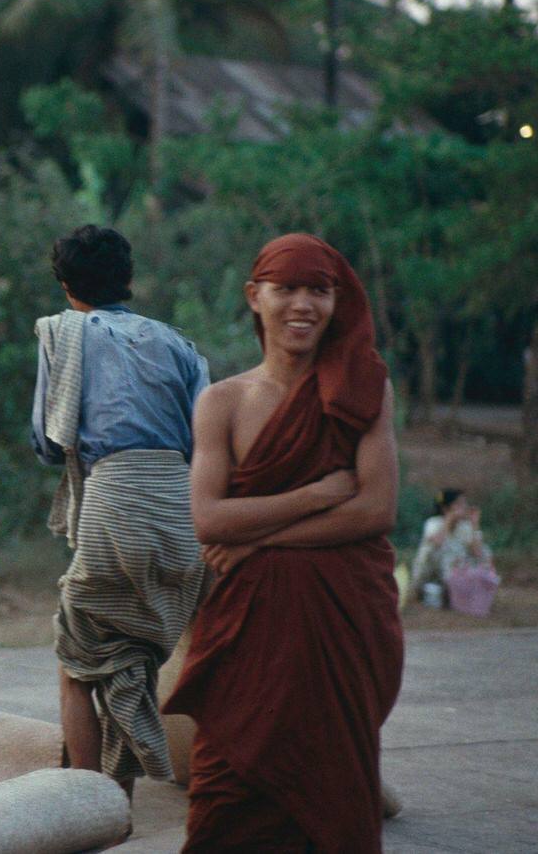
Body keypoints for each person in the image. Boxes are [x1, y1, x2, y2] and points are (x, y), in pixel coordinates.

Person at [163, 233, 405, 852]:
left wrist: (259, 541)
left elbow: (376, 509)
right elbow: (210, 522)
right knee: (225, 789)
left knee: (332, 795)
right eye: (286, 288)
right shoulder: (222, 401)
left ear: (336, 301)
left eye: (318, 290)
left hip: (343, 624)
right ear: (255, 297)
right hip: (251, 632)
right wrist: (316, 496)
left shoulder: (364, 391)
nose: (303, 304)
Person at [31, 224, 209, 796]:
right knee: (160, 649)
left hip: (115, 500)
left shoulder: (63, 333)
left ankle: (88, 807)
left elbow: (46, 441)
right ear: (129, 280)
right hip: (184, 509)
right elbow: (205, 437)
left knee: (78, 661)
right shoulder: (179, 344)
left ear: (63, 285)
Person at [411, 489, 498, 612]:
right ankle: (424, 593)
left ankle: (467, 593)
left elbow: (478, 553)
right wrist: (449, 519)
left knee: (485, 550)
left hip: (454, 573)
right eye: (459, 504)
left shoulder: (465, 527)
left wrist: (474, 525)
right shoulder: (434, 523)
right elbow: (437, 543)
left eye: (464, 504)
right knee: (443, 549)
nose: (464, 507)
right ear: (446, 508)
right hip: (432, 574)